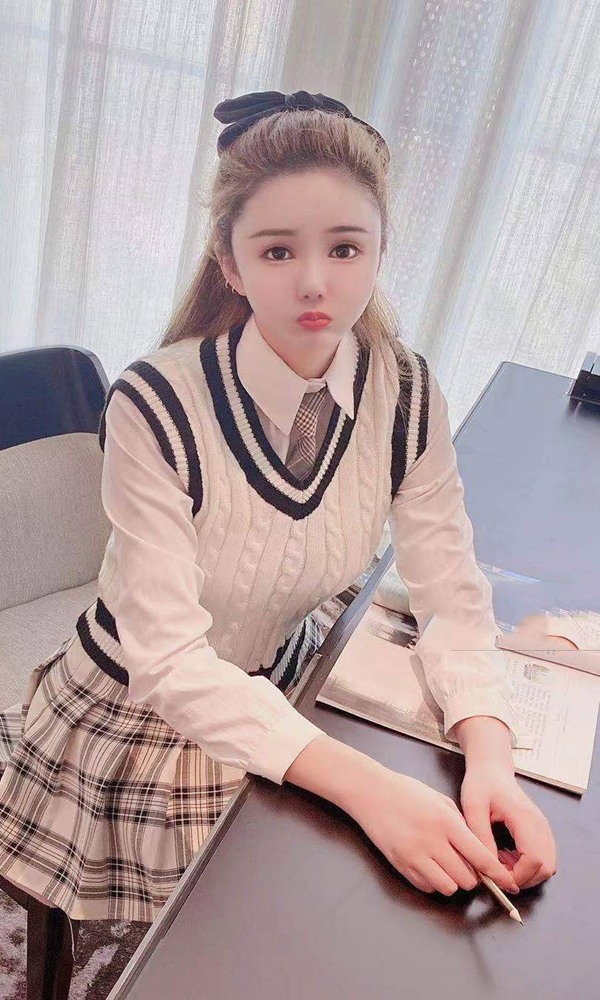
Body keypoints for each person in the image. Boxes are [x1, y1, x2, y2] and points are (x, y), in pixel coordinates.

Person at [0, 90, 556, 923]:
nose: (314, 282)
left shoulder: (405, 391)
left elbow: (448, 591)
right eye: (277, 250)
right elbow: (170, 661)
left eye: (345, 248)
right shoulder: (156, 402)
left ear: (380, 253)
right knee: (269, 922)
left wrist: (490, 752)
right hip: (142, 705)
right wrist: (371, 788)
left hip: (288, 675)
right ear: (230, 264)